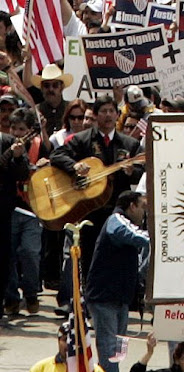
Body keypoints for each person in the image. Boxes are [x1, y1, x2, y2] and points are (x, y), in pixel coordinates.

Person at [50, 95, 144, 283]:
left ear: (118, 115)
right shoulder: (82, 139)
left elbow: (141, 172)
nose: (108, 115)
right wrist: (74, 166)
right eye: (103, 111)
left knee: (118, 258)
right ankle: (87, 298)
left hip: (118, 211)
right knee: (90, 257)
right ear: (95, 115)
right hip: (90, 210)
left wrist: (131, 172)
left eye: (111, 111)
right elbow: (57, 155)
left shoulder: (129, 144)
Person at [86, 191, 150, 372]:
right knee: (108, 352)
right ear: (132, 206)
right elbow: (135, 236)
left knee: (116, 353)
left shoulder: (124, 222)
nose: (143, 214)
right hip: (104, 298)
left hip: (120, 299)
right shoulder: (116, 220)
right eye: (142, 208)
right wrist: (159, 236)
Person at [5, 108, 51, 315]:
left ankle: (31, 292)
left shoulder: (40, 147)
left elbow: (51, 165)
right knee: (9, 255)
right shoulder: (5, 144)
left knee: (30, 252)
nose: (16, 133)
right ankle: (12, 296)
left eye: (21, 129)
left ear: (30, 130)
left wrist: (44, 164)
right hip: (10, 206)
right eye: (13, 128)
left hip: (32, 208)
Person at [0, 125, 28, 322]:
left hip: (2, 210)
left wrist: (17, 157)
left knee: (3, 258)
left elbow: (22, 174)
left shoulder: (9, 142)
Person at [26, 322, 111, 372]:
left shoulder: (94, 371)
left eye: (76, 341)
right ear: (58, 341)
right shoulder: (40, 369)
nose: (70, 345)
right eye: (65, 339)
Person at [31, 64, 73, 135]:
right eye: (46, 86)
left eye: (55, 85)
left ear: (62, 87)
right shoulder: (35, 112)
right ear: (41, 88)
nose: (51, 89)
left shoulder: (71, 109)